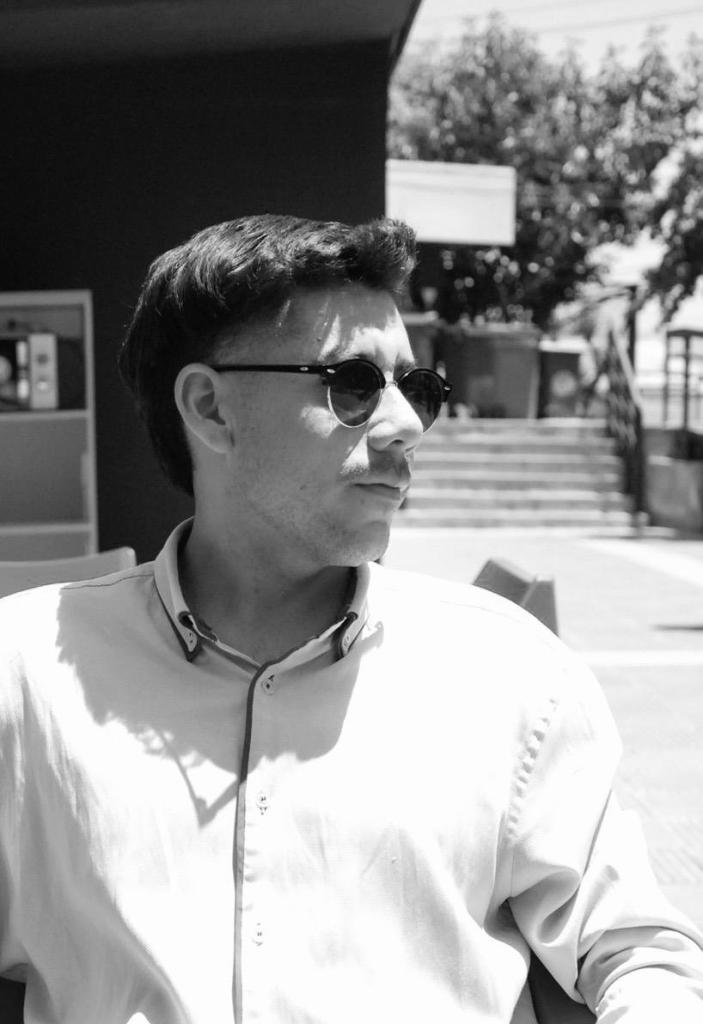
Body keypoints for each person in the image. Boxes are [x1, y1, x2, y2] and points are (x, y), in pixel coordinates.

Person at [0, 215, 702, 1024]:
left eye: (418, 388)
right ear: (209, 407)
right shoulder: (26, 677)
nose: (406, 426)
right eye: (354, 385)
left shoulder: (510, 675)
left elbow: (636, 952)